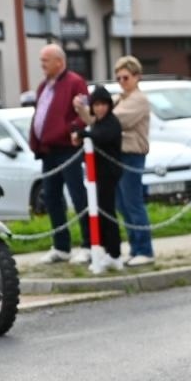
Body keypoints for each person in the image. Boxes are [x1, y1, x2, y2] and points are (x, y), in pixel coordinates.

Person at [78, 55, 154, 267]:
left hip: (132, 154)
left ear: (137, 77)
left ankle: (145, 249)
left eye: (126, 77)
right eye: (118, 78)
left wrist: (89, 113)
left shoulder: (138, 99)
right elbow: (100, 122)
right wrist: (83, 111)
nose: (122, 81)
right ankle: (135, 247)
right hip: (120, 155)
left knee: (133, 203)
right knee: (122, 204)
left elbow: (110, 122)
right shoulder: (121, 98)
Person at [27, 44, 90, 262]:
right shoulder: (44, 85)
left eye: (46, 60)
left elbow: (84, 112)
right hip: (48, 150)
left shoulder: (75, 82)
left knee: (77, 194)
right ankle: (61, 245)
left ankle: (89, 244)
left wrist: (72, 129)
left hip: (67, 148)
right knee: (51, 197)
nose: (42, 65)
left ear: (59, 62)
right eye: (41, 60)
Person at [71, 85, 123, 274]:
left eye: (103, 104)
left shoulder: (111, 123)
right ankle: (106, 250)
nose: (100, 108)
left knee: (107, 213)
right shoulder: (98, 123)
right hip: (97, 175)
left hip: (108, 174)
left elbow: (102, 136)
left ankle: (114, 253)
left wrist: (83, 134)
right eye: (97, 105)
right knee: (99, 213)